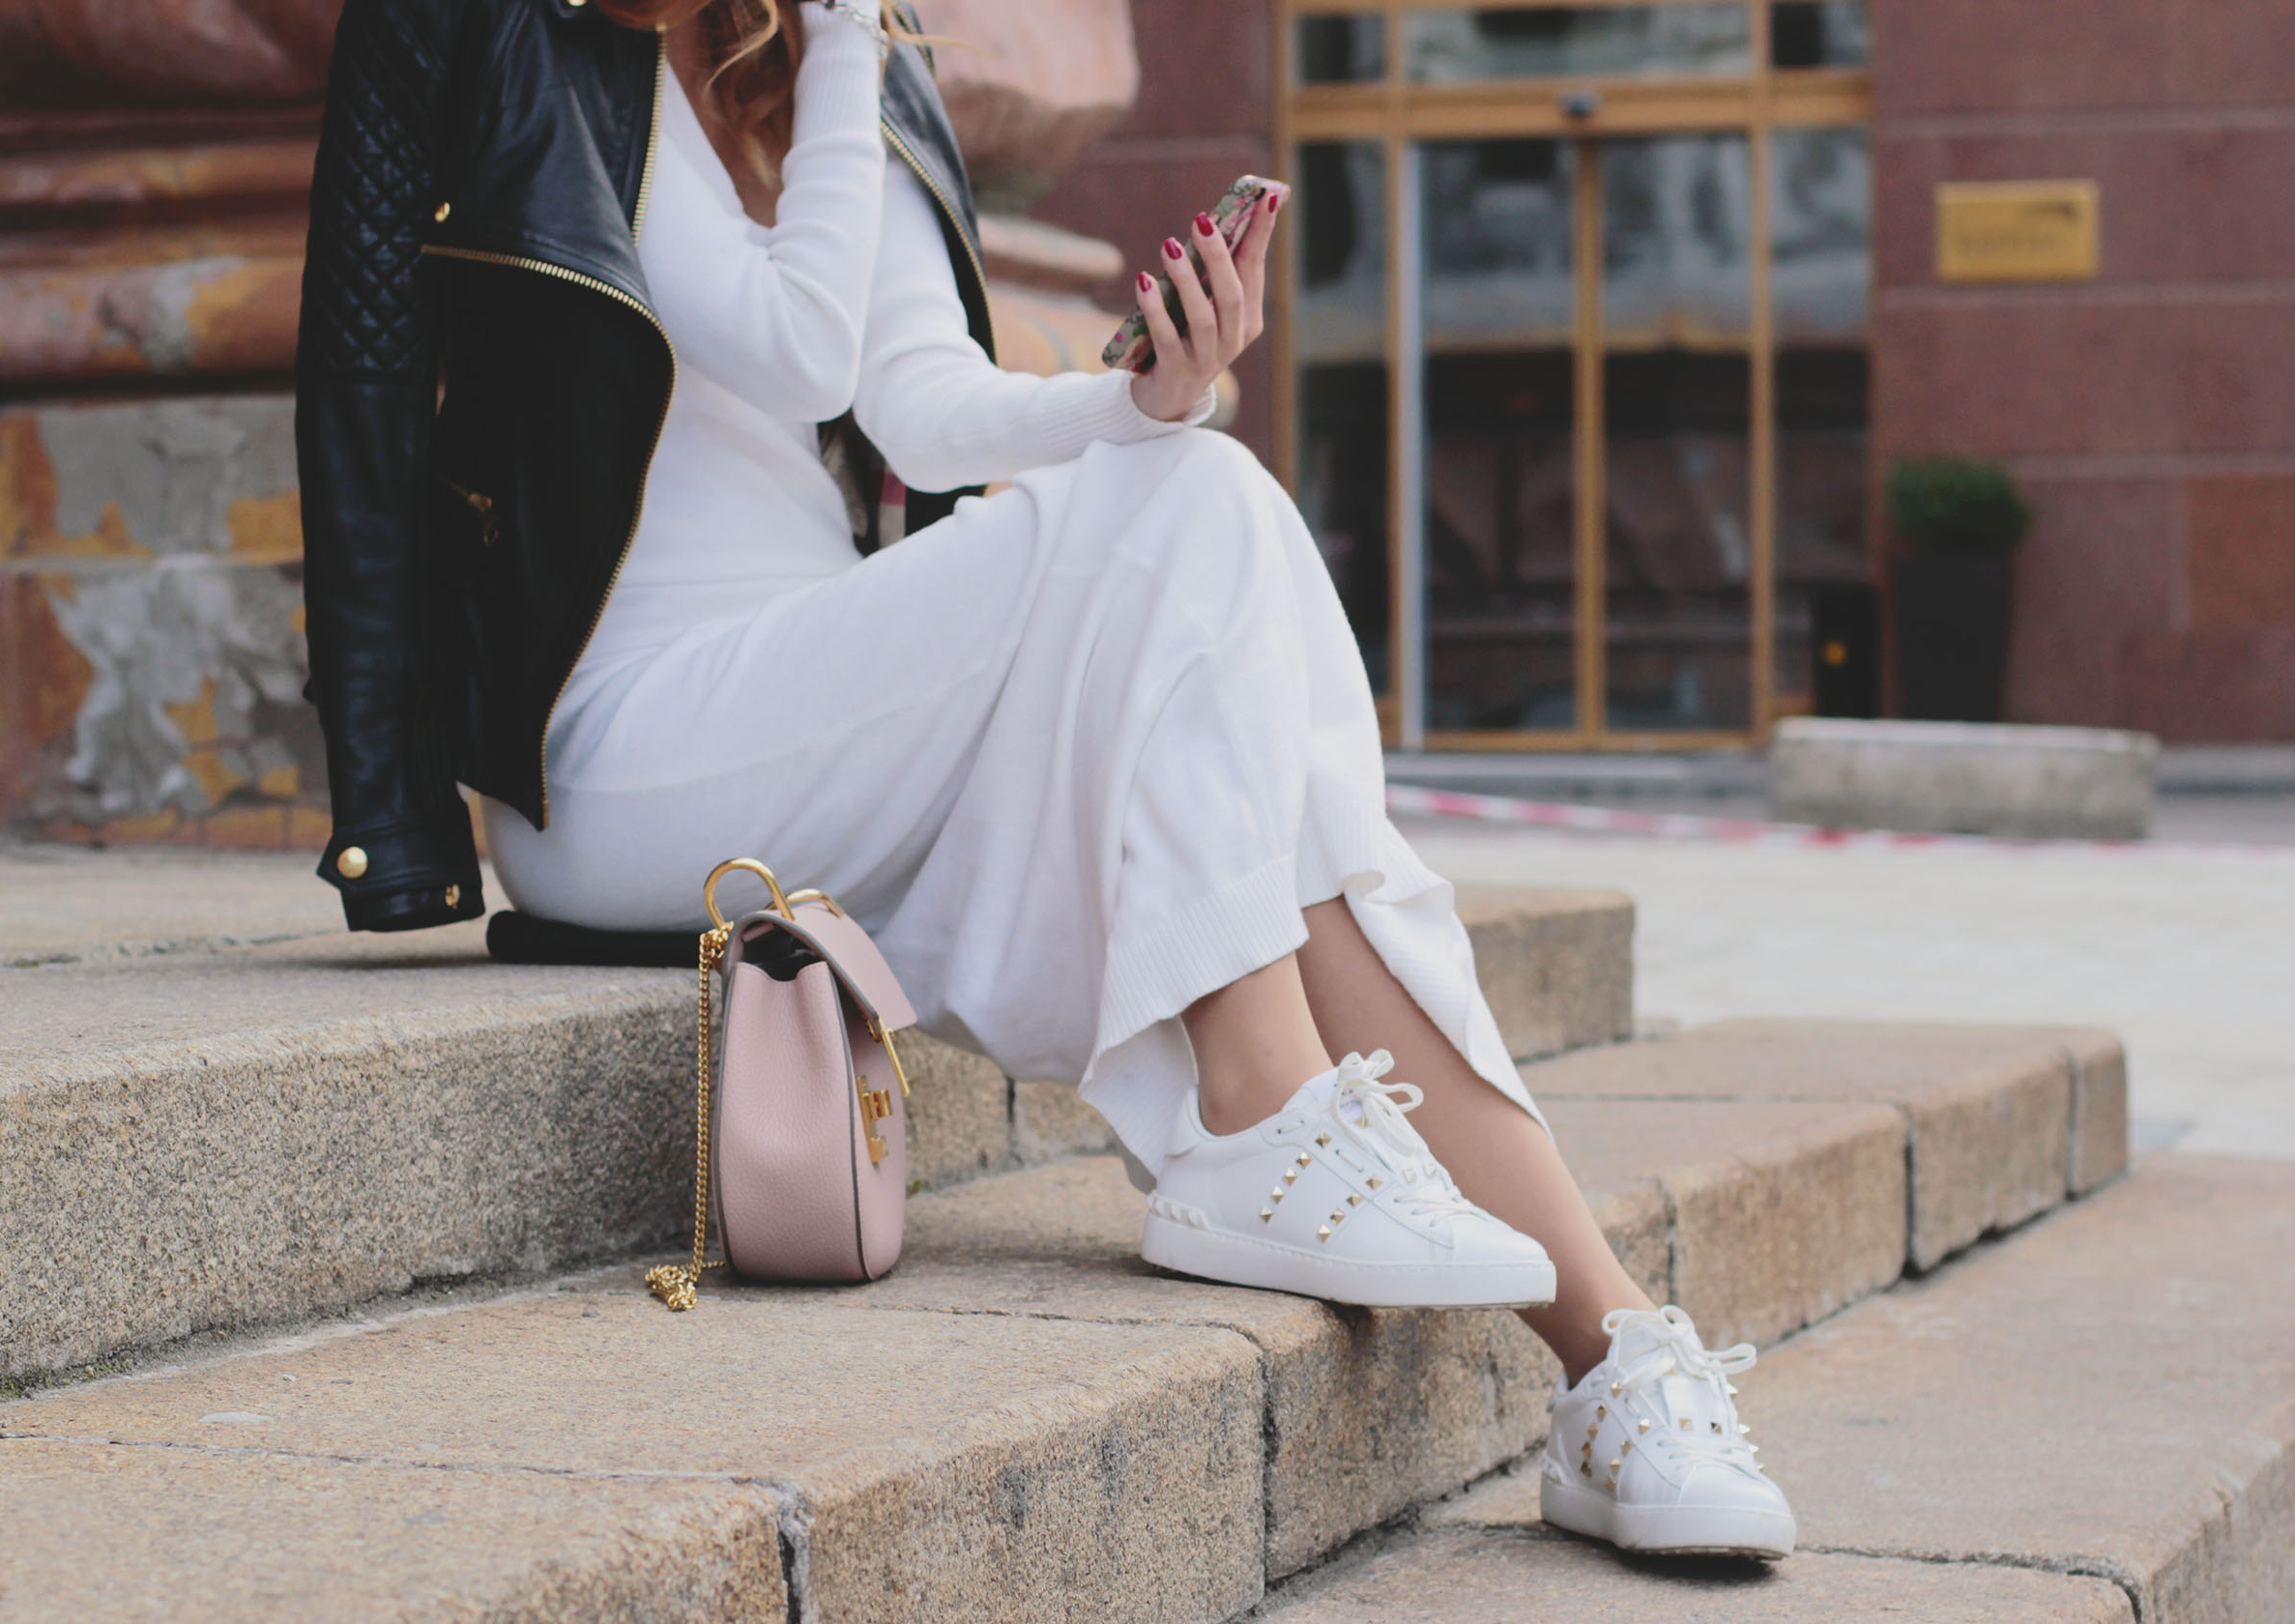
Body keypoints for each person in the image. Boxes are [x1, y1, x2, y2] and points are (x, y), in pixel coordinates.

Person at [297, 0, 1795, 1561]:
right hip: (618, 746)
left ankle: (1618, 1361)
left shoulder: (823, 55)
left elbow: (916, 399)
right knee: (1195, 515)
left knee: (1229, 600)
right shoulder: (496, 29)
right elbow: (404, 378)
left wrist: (1137, 399)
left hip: (835, 706)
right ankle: (1265, 1117)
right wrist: (394, 830)